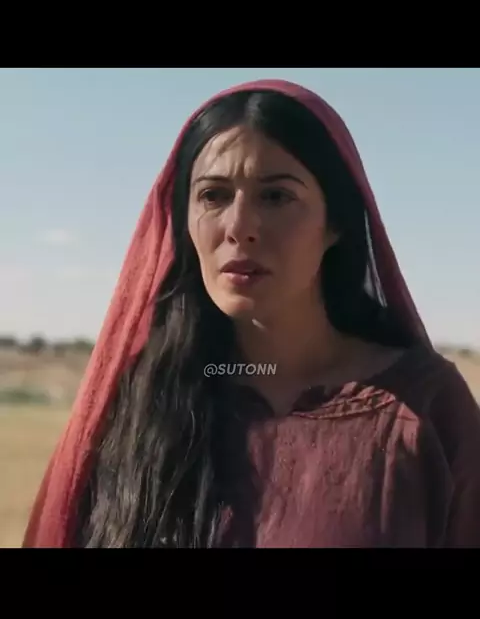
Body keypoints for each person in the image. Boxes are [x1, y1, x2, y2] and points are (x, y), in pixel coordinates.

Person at [23, 79, 480, 548]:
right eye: (213, 196)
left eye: (276, 196)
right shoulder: (143, 405)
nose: (239, 227)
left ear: (336, 223)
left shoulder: (426, 411)